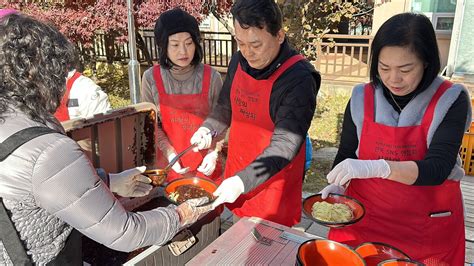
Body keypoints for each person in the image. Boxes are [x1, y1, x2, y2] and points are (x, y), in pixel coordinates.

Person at [0, 13, 211, 265]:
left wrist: (110, 180)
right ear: (39, 75)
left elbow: (44, 183)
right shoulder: (49, 149)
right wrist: (181, 215)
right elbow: (124, 232)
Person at [320, 13, 471, 265]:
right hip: (364, 221)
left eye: (405, 69)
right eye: (384, 67)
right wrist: (339, 186)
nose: (393, 79)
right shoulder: (361, 97)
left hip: (425, 228)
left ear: (426, 62)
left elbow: (437, 168)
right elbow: (347, 152)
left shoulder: (450, 99)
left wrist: (378, 166)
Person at [190, 0, 321, 227]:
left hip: (273, 183)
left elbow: (286, 143)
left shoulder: (299, 78)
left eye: (256, 45)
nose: (247, 52)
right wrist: (208, 129)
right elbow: (225, 107)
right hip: (239, 168)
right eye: (240, 43)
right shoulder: (238, 60)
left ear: (279, 36)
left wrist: (242, 182)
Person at [140, 7, 224, 181]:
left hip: (206, 167)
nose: (183, 52)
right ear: (164, 46)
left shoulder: (212, 77)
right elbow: (150, 125)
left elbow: (222, 121)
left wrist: (213, 152)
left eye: (188, 43)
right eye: (175, 44)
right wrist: (170, 154)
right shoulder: (151, 78)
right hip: (169, 165)